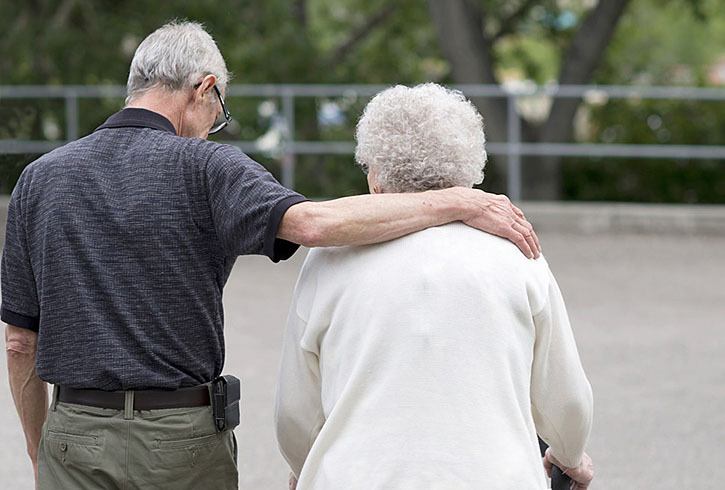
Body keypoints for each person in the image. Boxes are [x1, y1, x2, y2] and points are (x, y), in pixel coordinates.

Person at [2, 23, 541, 489]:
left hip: (72, 433)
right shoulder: (207, 167)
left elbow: (21, 340)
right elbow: (313, 224)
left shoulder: (38, 179)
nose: (215, 124)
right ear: (203, 89)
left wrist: (40, 448)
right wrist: (457, 200)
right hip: (179, 439)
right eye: (218, 111)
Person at [275, 83, 594, 489]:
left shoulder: (329, 260)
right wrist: (569, 456)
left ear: (376, 179)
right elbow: (566, 400)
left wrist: (308, 466)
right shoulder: (516, 253)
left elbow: (293, 414)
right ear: (469, 171)